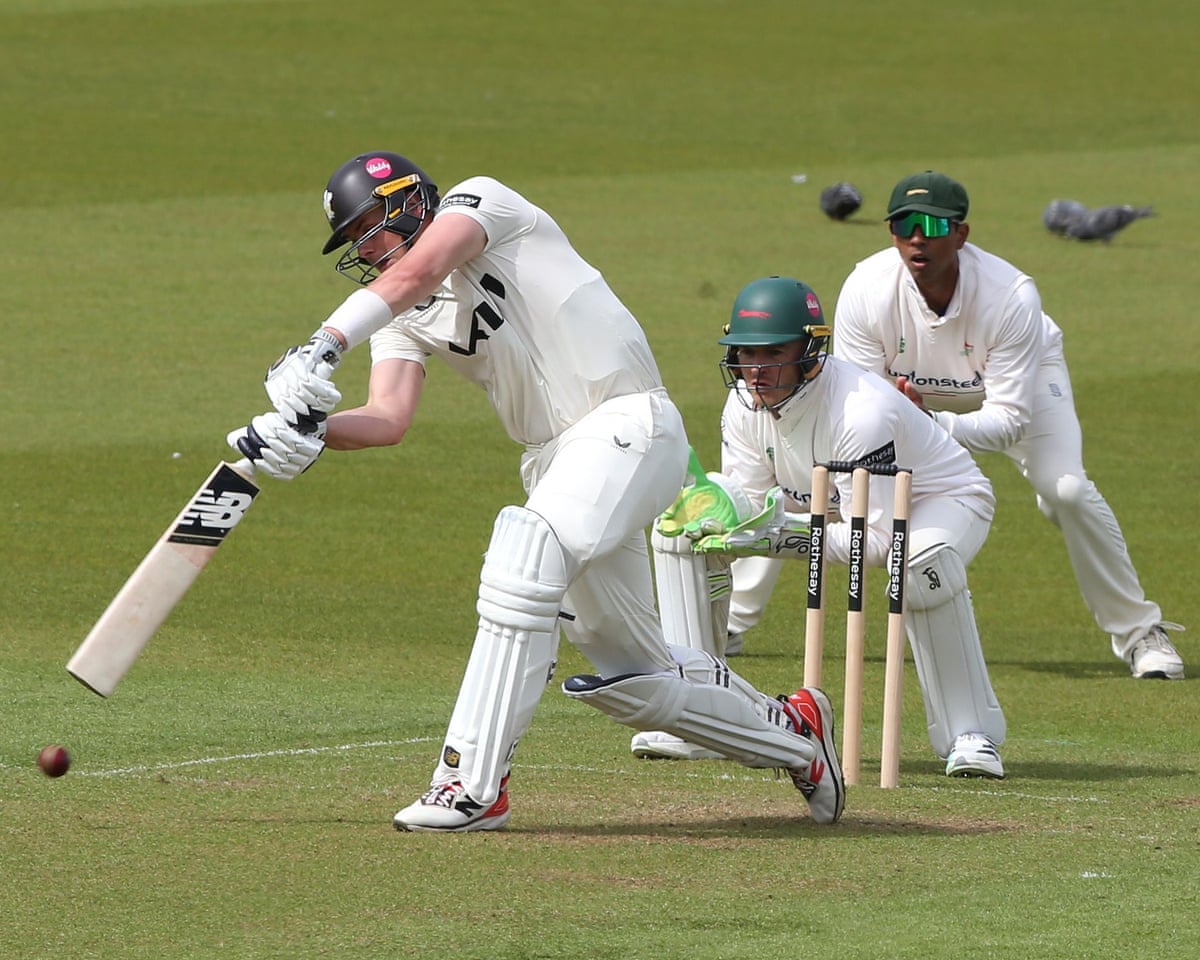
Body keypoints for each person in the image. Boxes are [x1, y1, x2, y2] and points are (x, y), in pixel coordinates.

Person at [226, 151, 846, 831]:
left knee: (525, 554)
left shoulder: (484, 203)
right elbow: (386, 419)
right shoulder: (402, 315)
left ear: (410, 201)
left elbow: (420, 268)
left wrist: (323, 342)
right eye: (354, 241)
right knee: (639, 678)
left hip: (626, 421)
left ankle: (468, 783)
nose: (366, 247)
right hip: (558, 461)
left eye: (371, 226)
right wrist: (312, 432)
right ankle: (797, 735)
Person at [633, 275, 1009, 778]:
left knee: (918, 563)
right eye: (745, 354)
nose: (756, 371)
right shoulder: (744, 406)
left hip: (938, 499)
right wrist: (718, 512)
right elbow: (749, 502)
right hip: (834, 506)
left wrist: (775, 536)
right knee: (680, 535)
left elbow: (873, 543)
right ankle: (700, 717)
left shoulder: (860, 412)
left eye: (772, 354)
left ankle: (971, 734)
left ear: (812, 351)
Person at [831, 171, 1184, 679]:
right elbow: (861, 405)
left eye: (931, 223)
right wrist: (909, 421)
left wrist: (927, 422)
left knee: (1066, 490)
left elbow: (1008, 421)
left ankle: (1140, 632)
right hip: (914, 405)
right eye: (903, 223)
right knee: (814, 480)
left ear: (961, 233)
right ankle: (732, 621)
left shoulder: (1011, 295)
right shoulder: (866, 288)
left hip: (1013, 387)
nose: (916, 236)